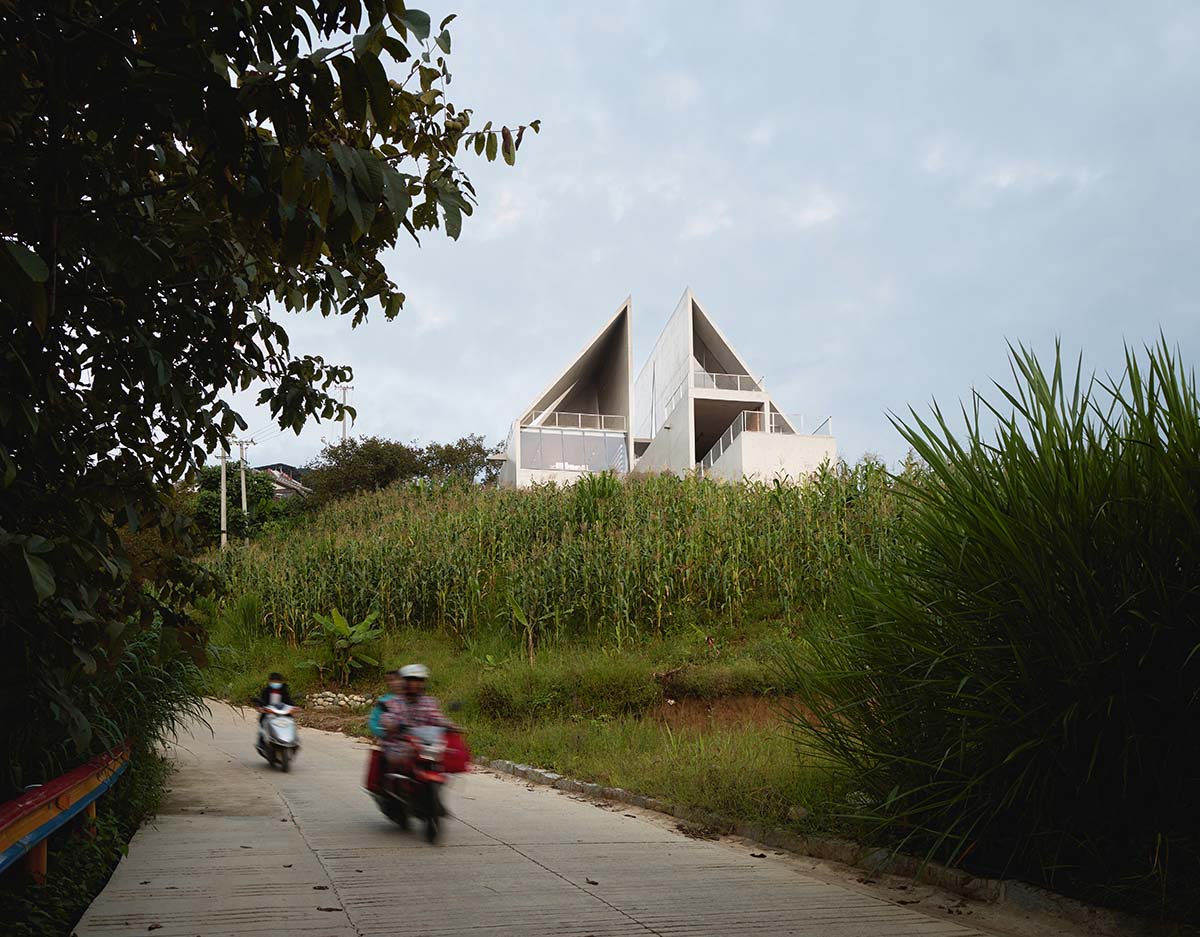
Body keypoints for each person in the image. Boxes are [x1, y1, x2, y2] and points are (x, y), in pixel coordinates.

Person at [369, 664, 450, 774]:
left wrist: (450, 726)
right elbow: (387, 718)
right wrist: (392, 725)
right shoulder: (394, 702)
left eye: (419, 681)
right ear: (404, 682)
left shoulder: (429, 702)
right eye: (412, 680)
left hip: (423, 744)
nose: (416, 684)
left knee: (443, 757)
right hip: (398, 745)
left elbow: (436, 717)